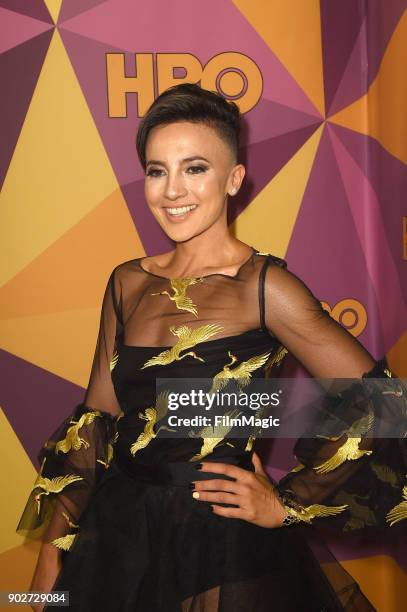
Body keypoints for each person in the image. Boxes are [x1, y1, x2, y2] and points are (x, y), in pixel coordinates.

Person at [16, 83, 406, 611]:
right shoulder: (127, 283)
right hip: (118, 532)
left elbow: (382, 403)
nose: (172, 190)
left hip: (220, 541)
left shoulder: (264, 287)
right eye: (157, 170)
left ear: (233, 179)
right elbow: (96, 421)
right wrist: (50, 554)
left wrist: (288, 503)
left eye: (194, 168)